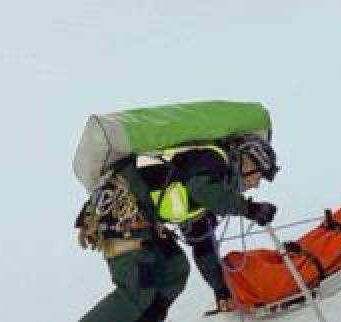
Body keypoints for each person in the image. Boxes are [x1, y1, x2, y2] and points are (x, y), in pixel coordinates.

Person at [78, 135, 280, 322]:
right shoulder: (213, 159)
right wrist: (249, 208)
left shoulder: (211, 191)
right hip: (118, 209)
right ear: (246, 159)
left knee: (175, 269)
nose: (255, 183)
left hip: (142, 219)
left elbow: (203, 244)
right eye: (258, 174)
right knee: (138, 289)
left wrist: (222, 291)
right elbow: (203, 191)